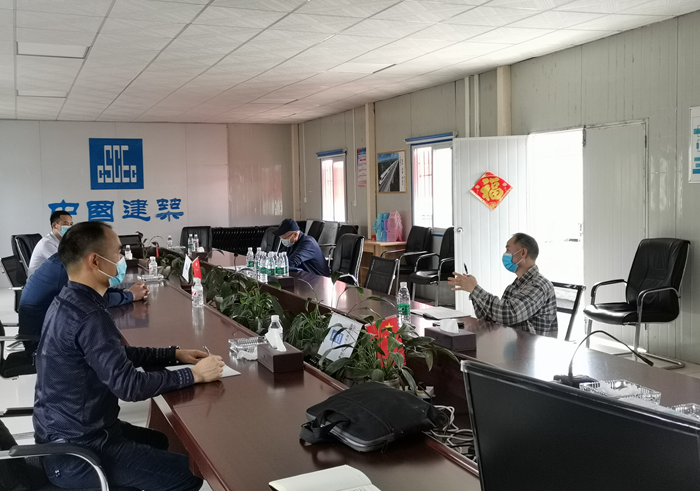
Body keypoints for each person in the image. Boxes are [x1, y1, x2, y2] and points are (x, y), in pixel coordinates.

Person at [33, 221, 224, 491]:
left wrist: (173, 354)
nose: (122, 258)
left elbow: (115, 354)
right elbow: (129, 386)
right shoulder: (90, 316)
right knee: (188, 475)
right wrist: (194, 375)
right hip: (80, 452)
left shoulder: (68, 299)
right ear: (95, 261)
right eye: (118, 252)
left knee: (159, 441)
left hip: (69, 435)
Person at [18, 252, 149, 356]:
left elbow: (94, 291)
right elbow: (93, 299)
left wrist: (127, 292)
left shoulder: (67, 259)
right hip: (42, 343)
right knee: (110, 342)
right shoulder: (65, 269)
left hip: (53, 331)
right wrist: (131, 296)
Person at [448, 233, 558, 337]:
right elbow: (492, 318)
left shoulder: (539, 285)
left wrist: (475, 289)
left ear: (523, 253)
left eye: (508, 250)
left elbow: (509, 314)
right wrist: (473, 291)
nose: (505, 254)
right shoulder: (513, 287)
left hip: (532, 347)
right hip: (513, 342)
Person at [27, 210, 73, 276]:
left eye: (71, 224)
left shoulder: (62, 241)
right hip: (40, 280)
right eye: (65, 224)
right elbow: (64, 265)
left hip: (51, 276)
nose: (69, 227)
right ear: (54, 225)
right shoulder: (47, 244)